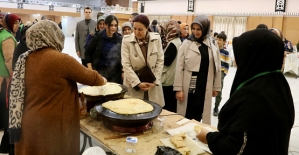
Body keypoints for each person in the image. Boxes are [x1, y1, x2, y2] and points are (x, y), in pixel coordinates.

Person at [10, 20, 107, 155]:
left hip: (28, 122)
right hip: (52, 127)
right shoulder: (61, 60)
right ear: (53, 36)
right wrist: (104, 80)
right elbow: (93, 79)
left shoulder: (26, 58)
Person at [197, 29, 295, 155]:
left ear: (253, 55)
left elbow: (237, 148)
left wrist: (209, 137)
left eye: (241, 54)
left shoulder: (254, 95)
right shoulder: (278, 84)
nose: (237, 60)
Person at [173, 15, 221, 125]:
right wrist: (178, 89)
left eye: (198, 29)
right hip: (189, 87)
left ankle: (197, 136)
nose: (195, 32)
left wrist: (216, 86)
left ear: (205, 29)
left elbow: (217, 67)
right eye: (193, 29)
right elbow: (179, 67)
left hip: (205, 85)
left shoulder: (212, 44)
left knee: (200, 113)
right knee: (187, 114)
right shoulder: (186, 43)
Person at [121, 14, 165, 107]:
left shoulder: (156, 39)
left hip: (152, 83)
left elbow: (160, 60)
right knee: (134, 112)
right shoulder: (126, 40)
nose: (137, 32)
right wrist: (137, 83)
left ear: (147, 28)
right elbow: (126, 64)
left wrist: (154, 81)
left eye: (140, 29)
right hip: (134, 84)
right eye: (135, 28)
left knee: (153, 111)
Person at [0, 13, 21, 154]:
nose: (18, 26)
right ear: (8, 23)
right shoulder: (7, 37)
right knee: (4, 104)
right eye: (15, 23)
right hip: (4, 76)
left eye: (19, 23)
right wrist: (14, 74)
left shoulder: (3, 33)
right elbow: (9, 60)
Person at [85, 15, 122, 84]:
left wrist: (123, 71)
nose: (113, 28)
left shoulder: (119, 38)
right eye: (111, 25)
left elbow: (122, 56)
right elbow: (87, 53)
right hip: (100, 72)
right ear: (105, 25)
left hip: (115, 73)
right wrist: (91, 70)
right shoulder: (97, 37)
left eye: (115, 25)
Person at [160, 19, 181, 113]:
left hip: (167, 80)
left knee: (168, 107)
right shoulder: (175, 41)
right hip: (170, 78)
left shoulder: (173, 43)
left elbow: (166, 61)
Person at [213, 32, 230, 116]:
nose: (218, 41)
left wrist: (224, 74)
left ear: (224, 41)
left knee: (218, 91)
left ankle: (216, 107)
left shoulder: (225, 53)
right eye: (217, 39)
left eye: (220, 40)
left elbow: (227, 65)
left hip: (221, 73)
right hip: (212, 73)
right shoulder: (213, 50)